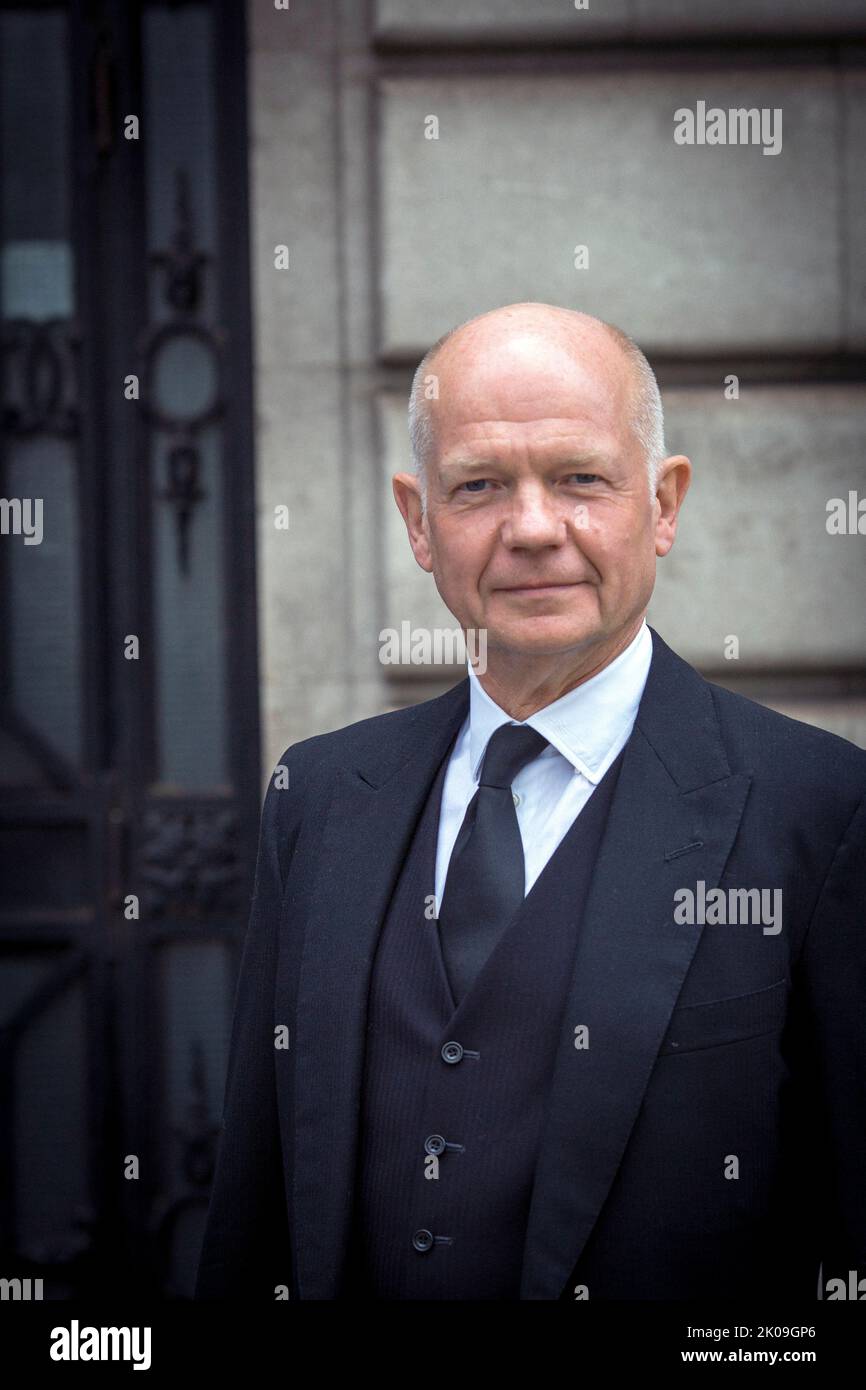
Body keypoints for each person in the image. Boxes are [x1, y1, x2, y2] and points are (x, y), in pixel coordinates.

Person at [195, 302, 866, 1301]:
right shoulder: (320, 794)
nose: (532, 529)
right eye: (477, 487)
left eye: (579, 479)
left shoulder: (818, 809)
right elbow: (255, 1194)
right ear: (418, 523)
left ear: (664, 502)